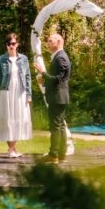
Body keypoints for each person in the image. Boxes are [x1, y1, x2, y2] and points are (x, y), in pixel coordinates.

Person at [0, 33, 33, 158]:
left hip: (20, 92)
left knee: (19, 119)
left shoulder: (24, 59)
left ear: (17, 44)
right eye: (9, 44)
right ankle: (11, 149)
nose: (11, 46)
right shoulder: (1, 59)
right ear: (6, 45)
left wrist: (29, 94)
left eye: (13, 43)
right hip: (6, 91)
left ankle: (13, 148)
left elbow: (27, 77)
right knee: (7, 119)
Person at [34, 32, 70, 162]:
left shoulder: (60, 57)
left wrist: (43, 73)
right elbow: (57, 78)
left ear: (59, 42)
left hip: (57, 96)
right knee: (60, 126)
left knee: (55, 126)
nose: (47, 43)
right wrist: (44, 79)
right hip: (59, 96)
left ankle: (53, 155)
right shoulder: (58, 56)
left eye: (50, 41)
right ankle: (61, 154)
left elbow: (60, 79)